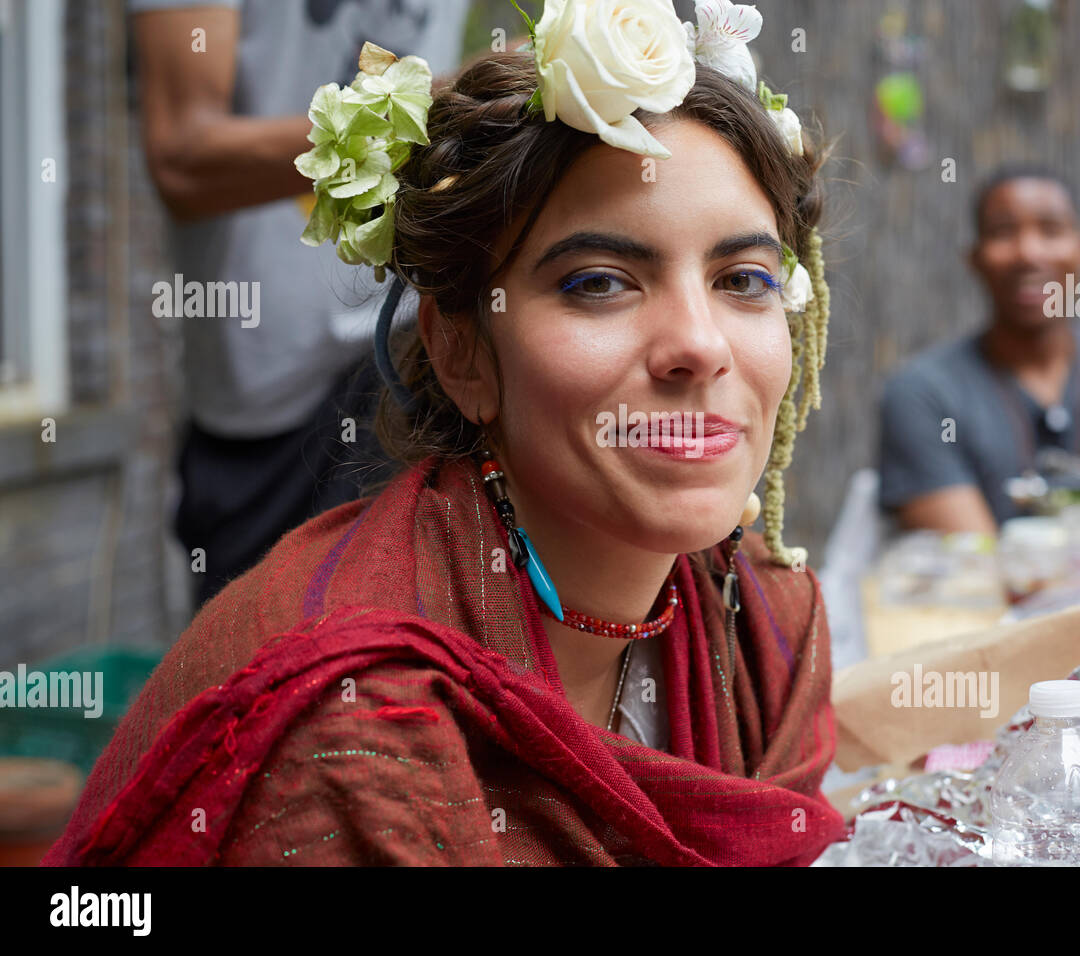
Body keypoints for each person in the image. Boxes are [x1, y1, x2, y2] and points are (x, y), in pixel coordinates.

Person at [45, 2, 845, 866]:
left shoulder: (766, 624)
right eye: (600, 283)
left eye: (745, 278)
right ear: (460, 350)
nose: (699, 343)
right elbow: (183, 150)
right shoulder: (357, 734)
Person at [130, 0, 470, 606]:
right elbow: (183, 158)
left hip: (410, 342)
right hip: (270, 399)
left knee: (410, 668)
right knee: (257, 677)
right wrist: (441, 105)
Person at [878, 164, 1080, 532]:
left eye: (1051, 229)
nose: (1028, 252)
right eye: (1003, 232)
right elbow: (972, 562)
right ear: (975, 259)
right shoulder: (922, 394)